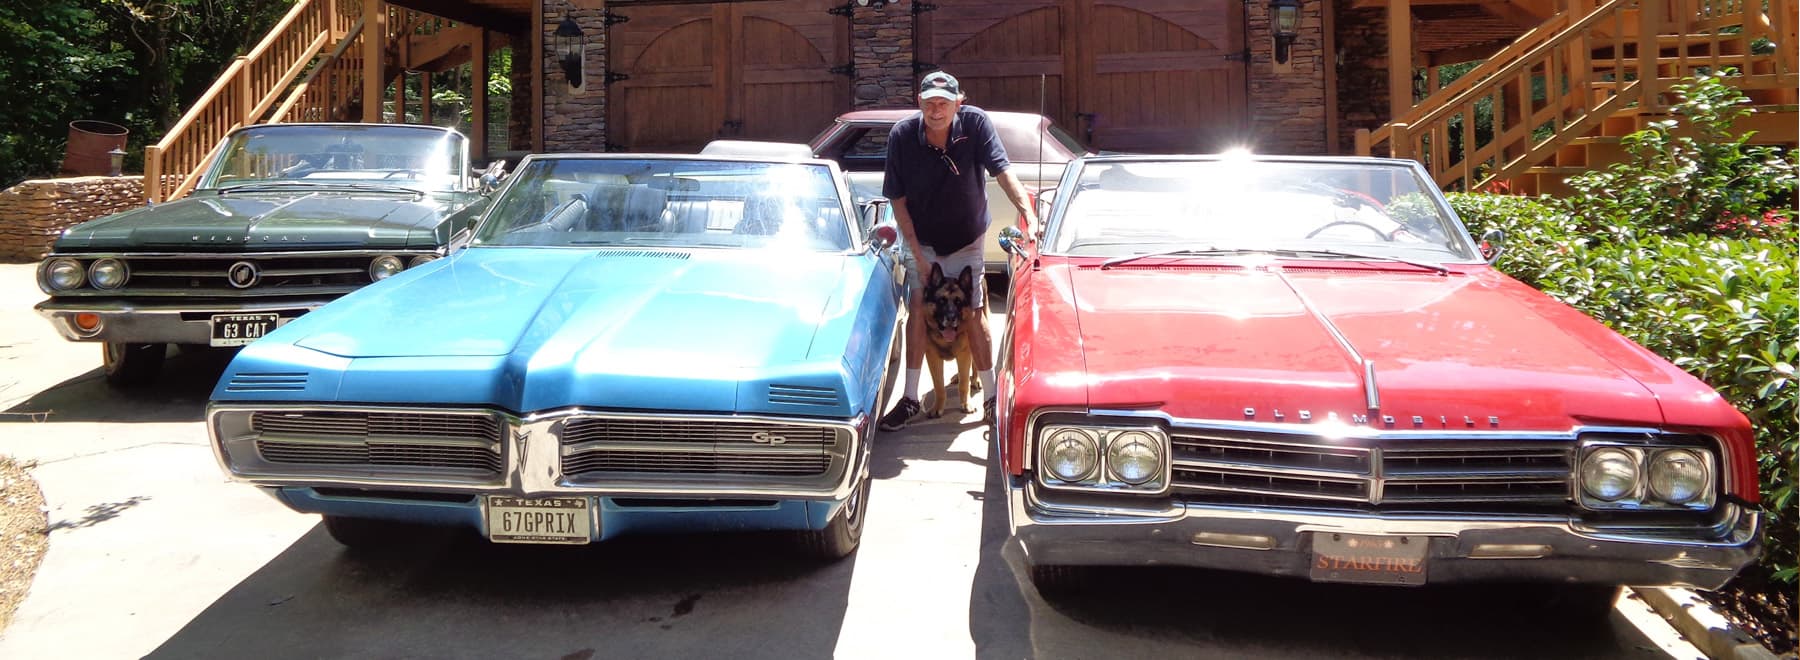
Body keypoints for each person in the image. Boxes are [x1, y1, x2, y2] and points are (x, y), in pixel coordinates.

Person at [878, 71, 1037, 431]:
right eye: (930, 103)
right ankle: (911, 399)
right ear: (919, 102)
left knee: (975, 308)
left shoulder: (976, 124)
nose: (936, 110)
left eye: (944, 103)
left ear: (958, 103)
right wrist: (916, 252)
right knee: (918, 305)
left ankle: (992, 397)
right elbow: (897, 199)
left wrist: (1028, 212)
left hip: (967, 236)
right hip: (923, 238)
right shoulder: (902, 136)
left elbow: (1002, 171)